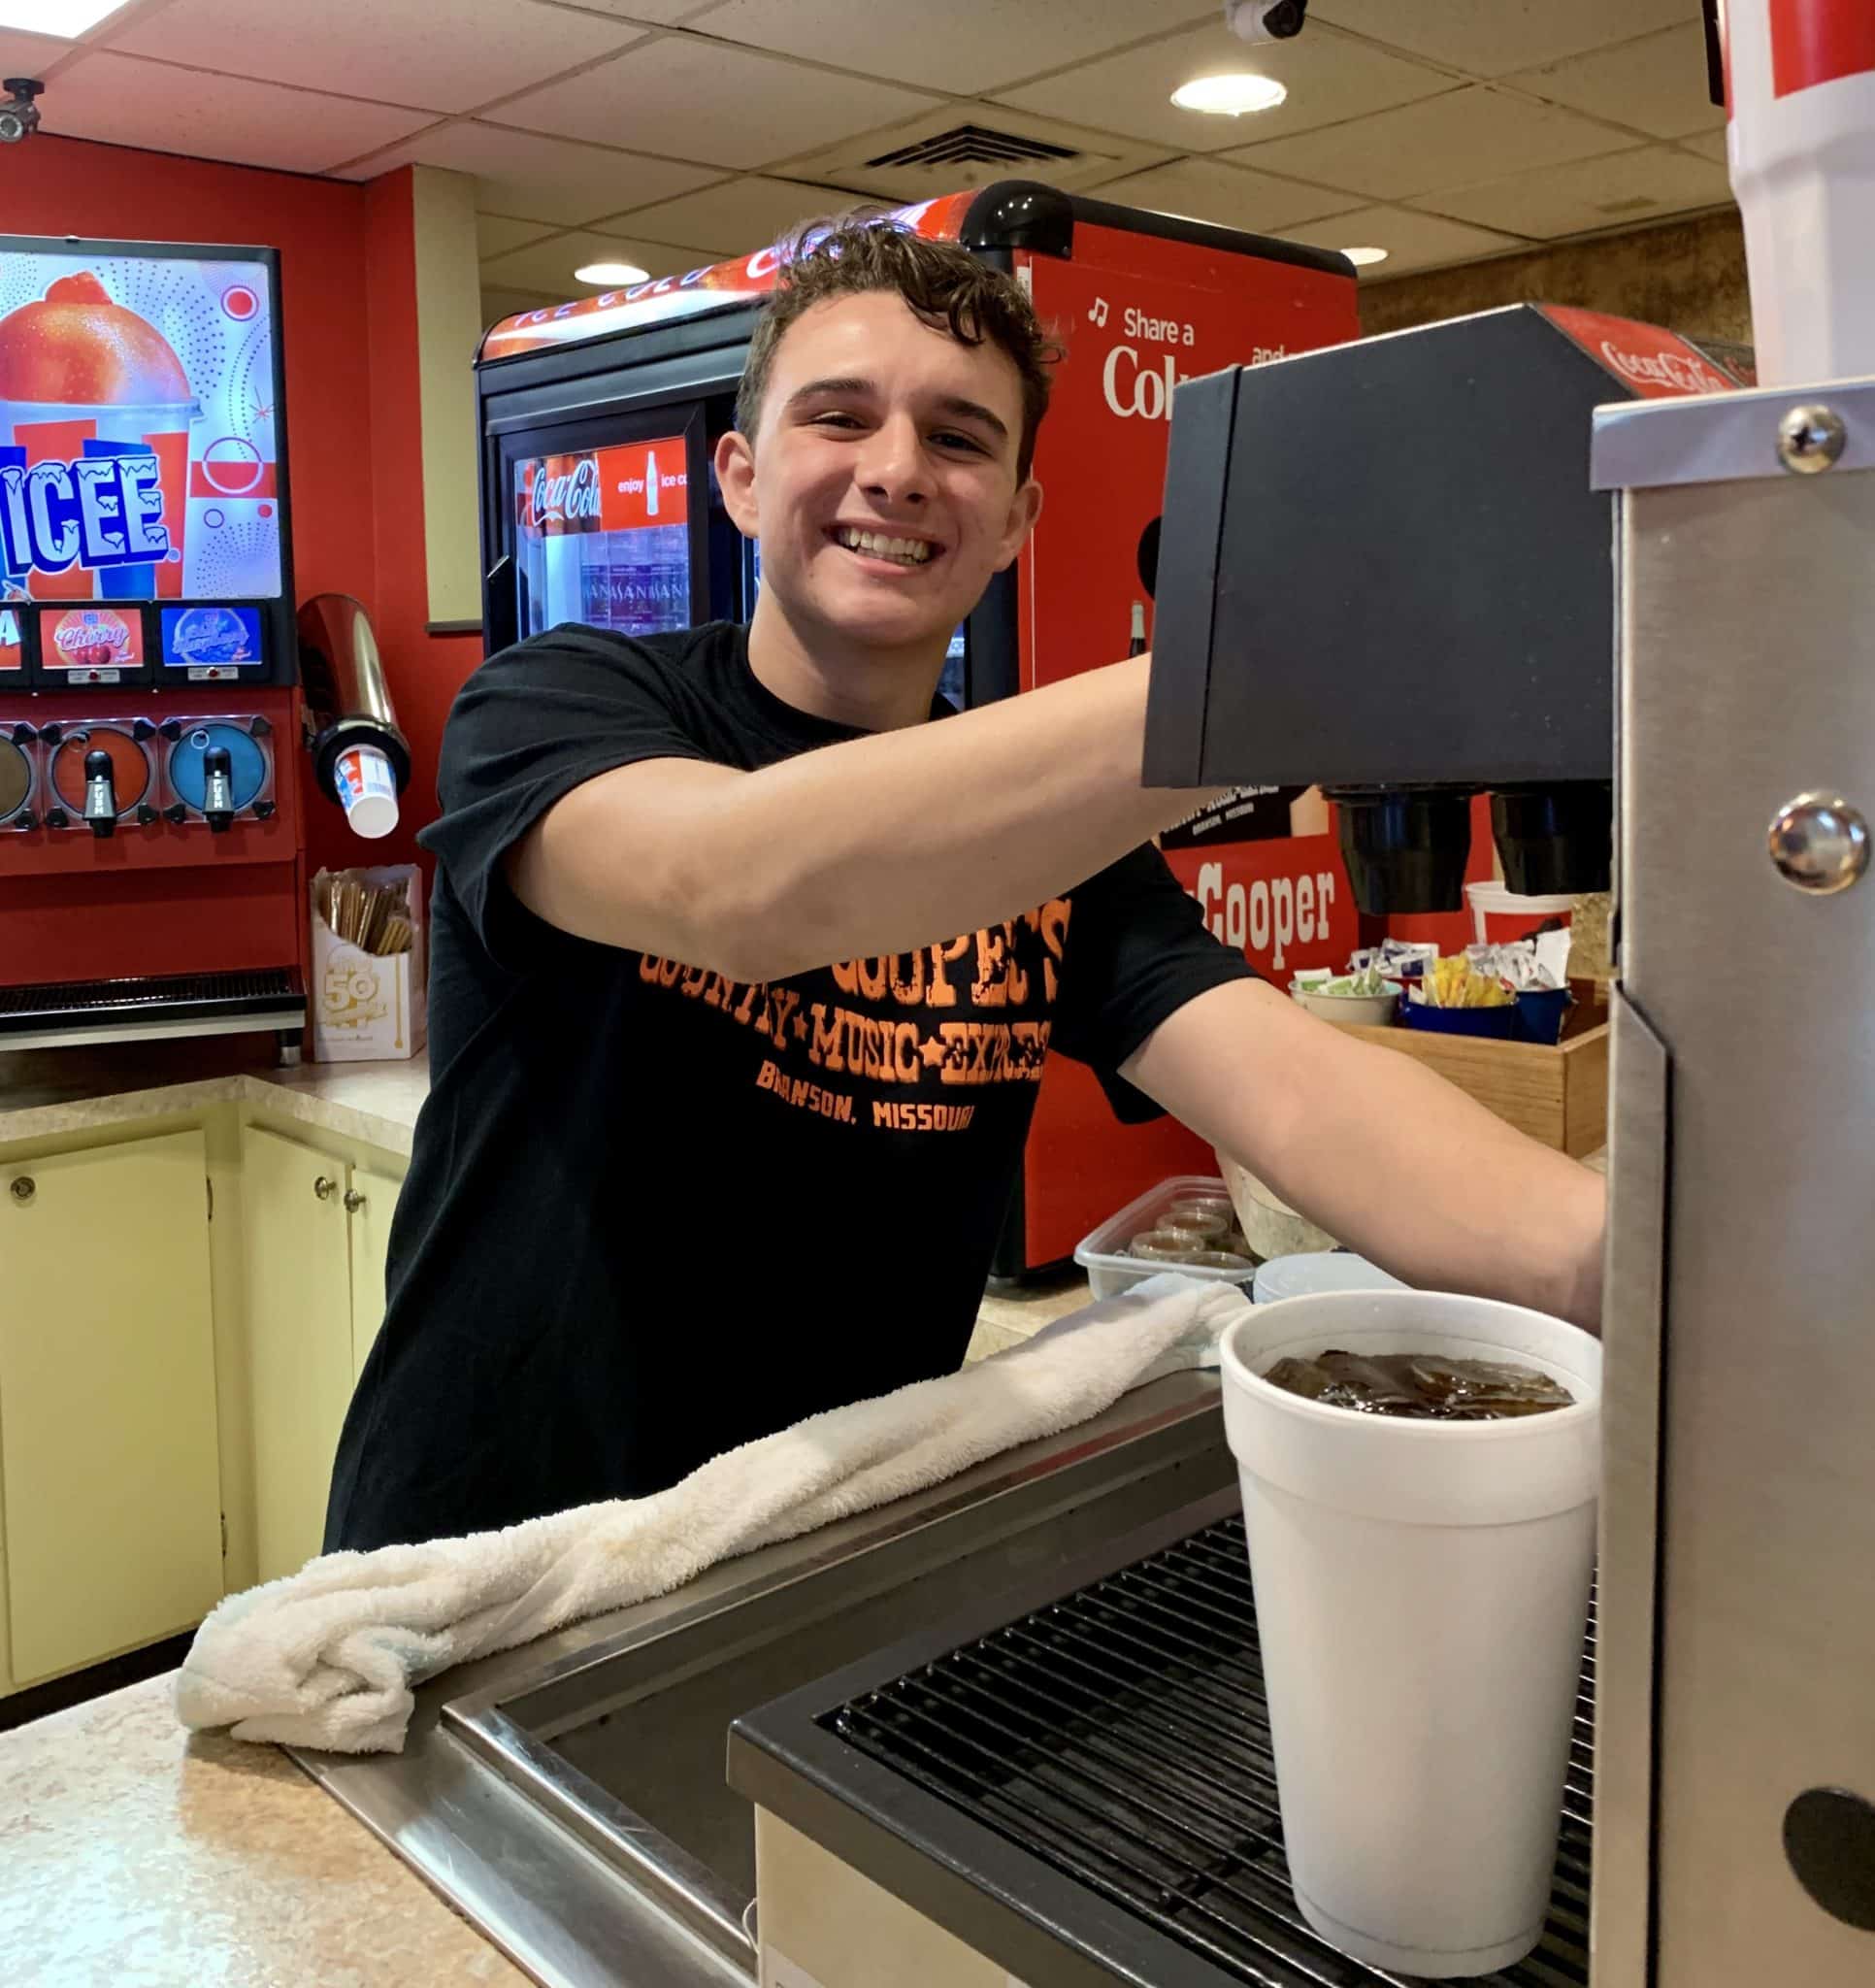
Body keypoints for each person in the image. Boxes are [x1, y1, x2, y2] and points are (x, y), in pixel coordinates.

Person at [324, 216, 1604, 1554]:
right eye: (839, 418)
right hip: (487, 1576)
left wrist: (1631, 1260)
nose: (897, 472)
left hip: (809, 1558)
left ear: (1015, 524)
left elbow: (1299, 1089)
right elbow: (738, 885)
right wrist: (1289, 669)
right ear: (743, 479)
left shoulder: (1037, 836)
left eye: (958, 436)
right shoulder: (561, 701)